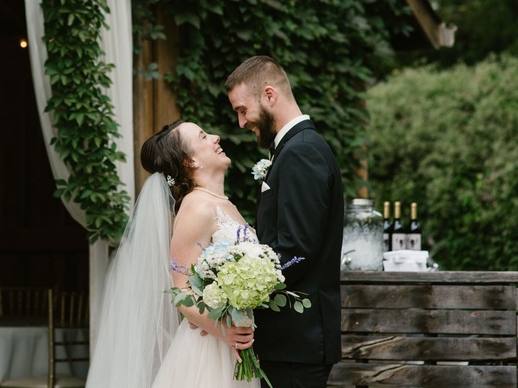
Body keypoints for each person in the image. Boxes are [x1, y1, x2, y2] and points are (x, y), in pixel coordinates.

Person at [86, 119, 259, 388]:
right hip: (208, 352)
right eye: (203, 136)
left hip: (231, 346)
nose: (215, 137)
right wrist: (225, 330)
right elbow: (181, 292)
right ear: (190, 162)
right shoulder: (197, 208)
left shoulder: (222, 204)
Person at [225, 56, 344, 388]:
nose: (240, 122)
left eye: (242, 109)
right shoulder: (294, 149)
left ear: (269, 95)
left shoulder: (301, 153)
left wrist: (239, 288)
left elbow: (297, 251)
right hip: (291, 342)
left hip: (297, 341)